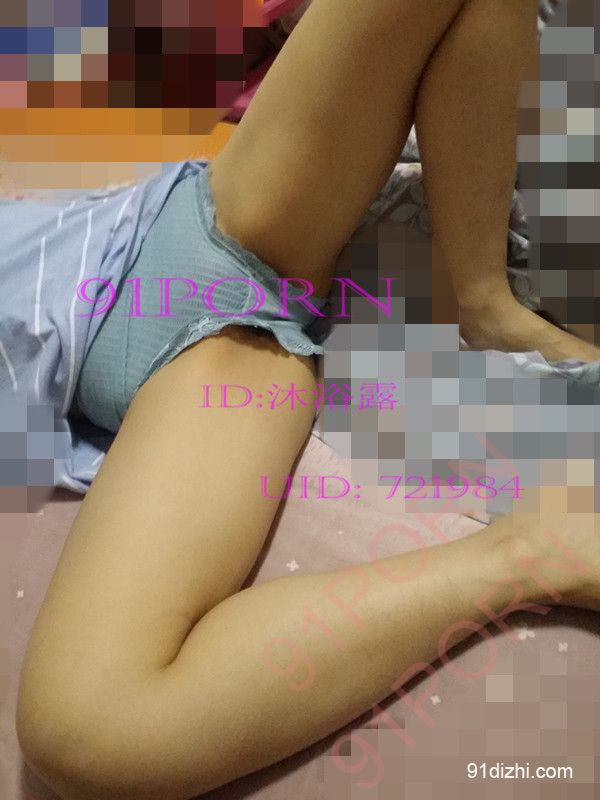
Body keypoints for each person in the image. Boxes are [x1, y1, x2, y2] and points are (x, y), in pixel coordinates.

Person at [16, 1, 600, 798]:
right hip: (202, 334)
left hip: (168, 239)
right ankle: (525, 552)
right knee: (87, 730)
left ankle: (483, 302)